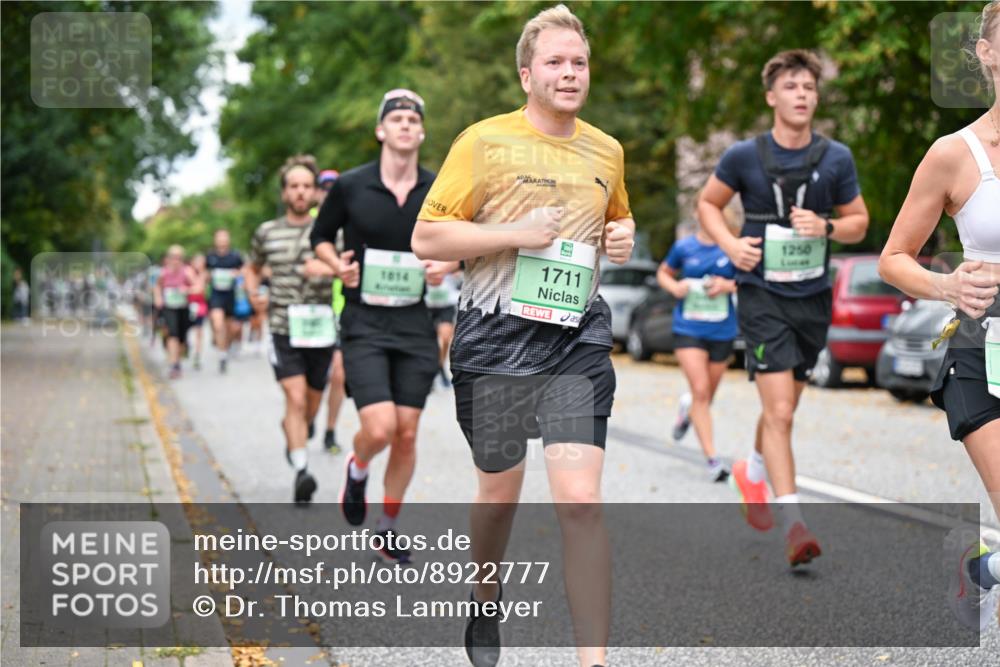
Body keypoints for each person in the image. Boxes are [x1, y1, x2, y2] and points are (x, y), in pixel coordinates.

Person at [412, 6, 633, 666]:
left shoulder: (607, 150)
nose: (570, 73)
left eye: (580, 62)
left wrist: (621, 238)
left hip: (577, 341)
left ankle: (592, 661)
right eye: (557, 62)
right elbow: (428, 236)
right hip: (495, 341)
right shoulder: (483, 143)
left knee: (581, 502)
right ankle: (486, 593)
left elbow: (613, 226)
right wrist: (513, 235)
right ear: (526, 74)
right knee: (498, 494)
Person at [698, 49, 870, 566]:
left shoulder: (836, 157)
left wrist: (829, 228)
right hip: (761, 295)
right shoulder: (743, 157)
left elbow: (860, 221)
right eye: (792, 87)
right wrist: (730, 247)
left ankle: (752, 467)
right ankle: (795, 525)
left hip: (813, 298)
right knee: (779, 411)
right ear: (772, 97)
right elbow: (707, 204)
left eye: (809, 88)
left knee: (785, 406)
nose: (802, 95)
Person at [879, 1, 1000, 630]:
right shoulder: (954, 155)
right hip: (983, 347)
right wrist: (948, 285)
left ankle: (984, 569)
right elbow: (894, 258)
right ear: (986, 53)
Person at [313, 89, 455, 564]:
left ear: (422, 132)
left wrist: (446, 265)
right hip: (364, 322)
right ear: (381, 130)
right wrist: (338, 266)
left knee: (408, 432)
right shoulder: (351, 186)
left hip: (415, 323)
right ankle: (357, 468)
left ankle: (388, 527)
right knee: (380, 427)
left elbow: (461, 240)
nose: (404, 125)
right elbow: (320, 239)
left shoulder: (437, 189)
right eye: (395, 118)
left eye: (413, 120)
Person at [245, 154, 336, 505]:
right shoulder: (266, 232)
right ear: (285, 193)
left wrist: (326, 269)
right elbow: (252, 268)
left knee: (311, 404)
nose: (300, 192)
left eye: (306, 186)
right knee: (295, 398)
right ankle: (302, 470)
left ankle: (297, 431)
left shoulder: (330, 232)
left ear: (315, 193)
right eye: (294, 186)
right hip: (283, 327)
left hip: (321, 328)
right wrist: (254, 293)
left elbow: (348, 269)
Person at [658, 215, 737, 482]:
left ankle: (687, 409)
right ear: (699, 215)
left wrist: (727, 285)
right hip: (688, 329)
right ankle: (713, 460)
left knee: (706, 397)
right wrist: (675, 287)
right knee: (701, 390)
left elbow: (750, 281)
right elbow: (663, 273)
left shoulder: (732, 247)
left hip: (722, 330)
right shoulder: (684, 247)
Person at [314, 168, 347, 453]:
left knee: (339, 374)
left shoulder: (350, 220)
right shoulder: (307, 223)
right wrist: (336, 268)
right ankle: (309, 417)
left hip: (341, 308)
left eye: (333, 188)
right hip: (309, 311)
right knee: (313, 378)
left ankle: (330, 430)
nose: (328, 193)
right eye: (323, 188)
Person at [154, 245, 197, 379]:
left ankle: (179, 356)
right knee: (172, 334)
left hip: (183, 307)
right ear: (168, 259)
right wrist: (158, 298)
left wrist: (187, 290)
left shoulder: (187, 271)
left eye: (179, 258)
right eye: (173, 257)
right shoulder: (163, 273)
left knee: (182, 338)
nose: (176, 261)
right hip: (169, 307)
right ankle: (175, 365)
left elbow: (198, 287)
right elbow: (157, 287)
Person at [206, 229, 244, 374]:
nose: (222, 240)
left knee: (229, 328)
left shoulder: (235, 256)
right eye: (219, 238)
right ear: (215, 240)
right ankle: (222, 354)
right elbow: (205, 274)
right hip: (216, 295)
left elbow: (244, 270)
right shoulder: (210, 257)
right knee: (218, 323)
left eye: (224, 237)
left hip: (231, 295)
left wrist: (237, 275)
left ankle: (225, 349)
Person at [425, 266, 462, 388]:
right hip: (426, 304)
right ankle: (430, 371)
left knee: (445, 338)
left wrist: (456, 270)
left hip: (446, 304)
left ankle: (440, 366)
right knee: (427, 341)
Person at [187, 254, 209, 370]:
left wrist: (189, 289)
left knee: (199, 331)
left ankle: (197, 354)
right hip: (188, 305)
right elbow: (196, 287)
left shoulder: (205, 274)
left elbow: (200, 289)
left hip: (200, 306)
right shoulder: (188, 271)